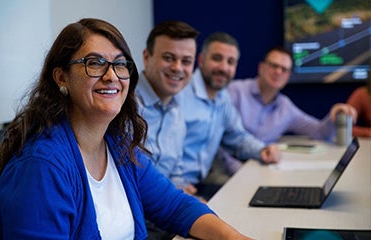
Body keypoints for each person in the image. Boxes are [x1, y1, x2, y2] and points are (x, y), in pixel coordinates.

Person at [0, 18, 252, 240]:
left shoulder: (119, 146)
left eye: (119, 64)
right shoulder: (42, 166)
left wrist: (235, 238)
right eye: (95, 63)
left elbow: (175, 206)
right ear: (61, 77)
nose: (111, 75)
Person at [175, 32, 281, 200]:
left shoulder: (222, 97)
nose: (224, 68)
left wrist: (262, 149)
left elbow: (237, 136)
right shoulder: (178, 92)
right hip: (174, 189)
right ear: (201, 61)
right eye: (217, 58)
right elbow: (159, 154)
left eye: (230, 62)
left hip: (198, 184)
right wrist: (175, 187)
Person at [135, 20, 199, 240]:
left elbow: (176, 170)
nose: (178, 68)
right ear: (146, 57)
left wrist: (183, 191)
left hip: (167, 213)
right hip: (139, 221)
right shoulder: (124, 106)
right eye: (168, 58)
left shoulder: (176, 110)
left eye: (186, 61)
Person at [227, 46, 358, 145]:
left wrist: (334, 114)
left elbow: (319, 133)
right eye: (274, 66)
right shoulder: (234, 91)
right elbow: (220, 141)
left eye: (284, 69)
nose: (278, 72)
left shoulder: (285, 107)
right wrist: (237, 169)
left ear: (288, 76)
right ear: (261, 67)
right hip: (227, 172)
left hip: (259, 169)